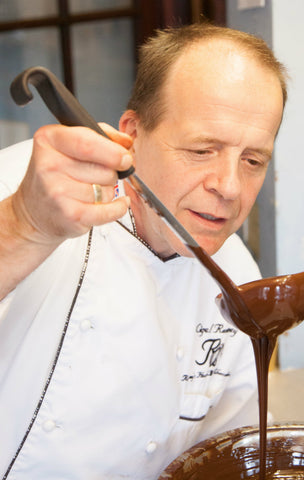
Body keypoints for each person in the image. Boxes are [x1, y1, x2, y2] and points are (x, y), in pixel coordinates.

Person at [0, 23, 287, 479]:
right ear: (131, 133)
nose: (230, 187)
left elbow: (235, 440)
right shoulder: (26, 186)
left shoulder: (238, 279)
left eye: (253, 160)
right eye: (201, 149)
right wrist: (23, 225)